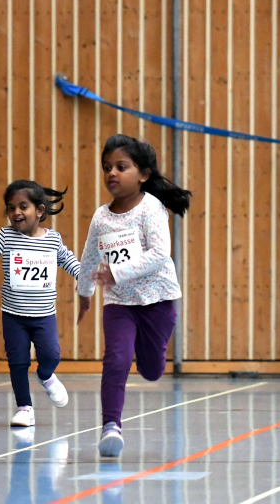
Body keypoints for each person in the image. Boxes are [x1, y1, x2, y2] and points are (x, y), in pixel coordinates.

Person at [76, 134, 191, 457]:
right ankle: (111, 427)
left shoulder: (151, 208)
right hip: (119, 303)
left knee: (152, 370)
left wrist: (117, 272)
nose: (112, 173)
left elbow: (159, 253)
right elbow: (89, 256)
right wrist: (85, 291)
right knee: (117, 360)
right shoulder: (101, 217)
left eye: (121, 167)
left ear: (143, 174)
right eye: (106, 167)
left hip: (158, 300)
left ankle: (150, 351)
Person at [0, 180, 80, 426]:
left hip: (44, 315)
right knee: (18, 362)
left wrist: (83, 276)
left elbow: (68, 260)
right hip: (13, 315)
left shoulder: (53, 240)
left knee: (51, 355)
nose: (16, 213)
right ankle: (24, 408)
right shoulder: (6, 236)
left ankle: (46, 376)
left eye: (23, 206)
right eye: (11, 208)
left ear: (39, 211)